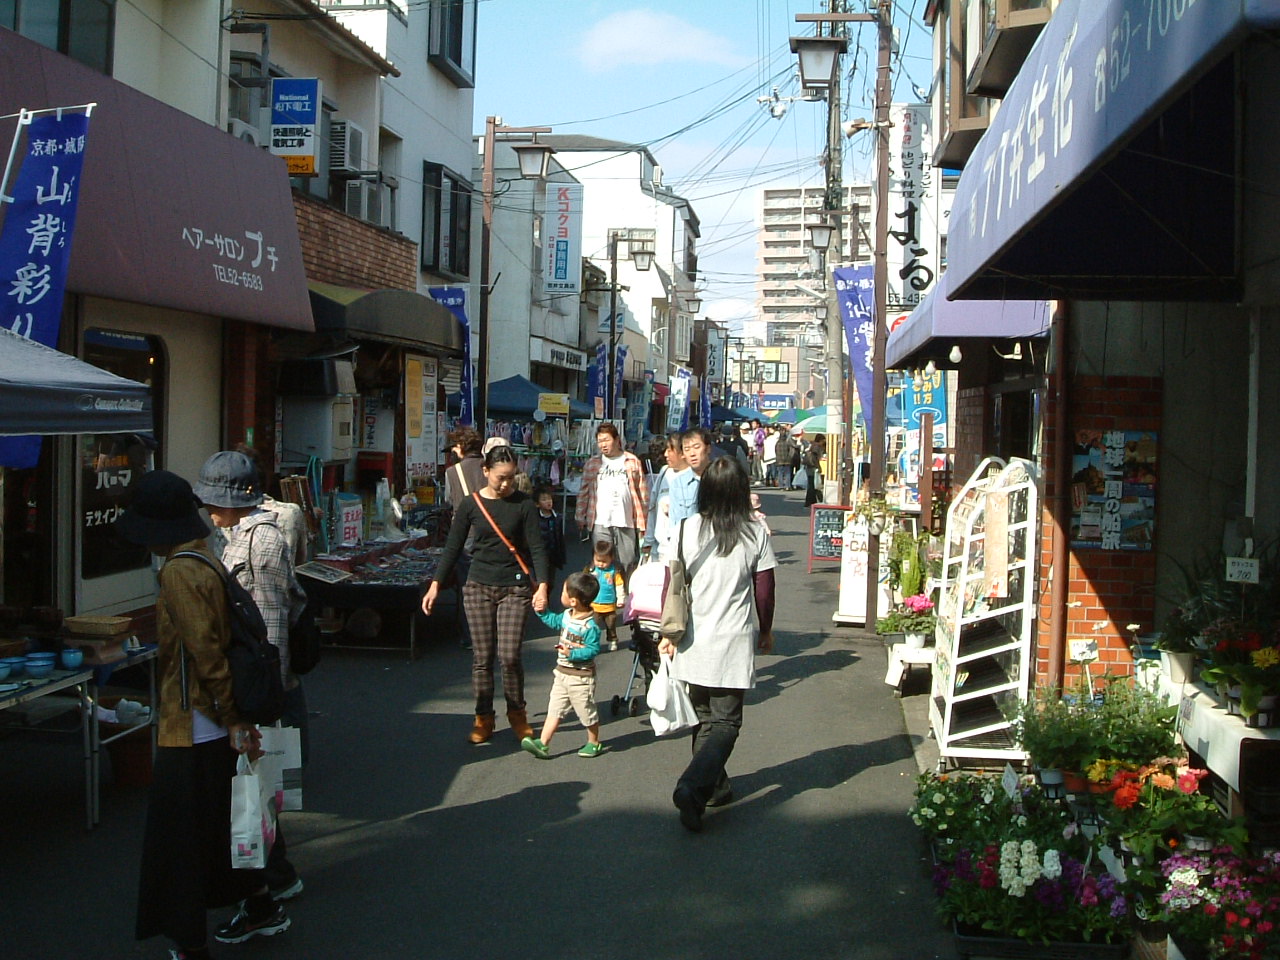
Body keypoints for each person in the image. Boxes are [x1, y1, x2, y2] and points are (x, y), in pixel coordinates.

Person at [116, 470, 290, 959]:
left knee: (181, 842)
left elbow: (205, 653)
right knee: (223, 826)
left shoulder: (179, 571)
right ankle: (260, 906)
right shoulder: (205, 557)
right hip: (216, 720)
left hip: (194, 722)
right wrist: (236, 719)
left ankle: (190, 942)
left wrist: (232, 719)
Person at [194, 450, 309, 905]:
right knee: (254, 784)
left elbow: (272, 621)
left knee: (256, 783)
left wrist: (265, 692)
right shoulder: (232, 533)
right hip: (249, 675)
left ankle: (271, 880)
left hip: (258, 679)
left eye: (214, 500)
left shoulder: (262, 539)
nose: (209, 510)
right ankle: (270, 875)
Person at [658, 456, 776, 833]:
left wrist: (667, 633)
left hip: (693, 638)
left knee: (705, 718)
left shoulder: (685, 528)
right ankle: (693, 787)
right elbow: (764, 590)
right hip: (732, 639)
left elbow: (672, 584)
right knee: (726, 722)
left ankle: (715, 788)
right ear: (741, 491)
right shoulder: (754, 533)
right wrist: (766, 630)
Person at [422, 444, 551, 744]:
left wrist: (543, 585)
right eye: (500, 477)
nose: (506, 484)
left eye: (511, 477)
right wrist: (435, 584)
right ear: (485, 471)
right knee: (482, 658)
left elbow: (537, 547)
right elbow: (453, 547)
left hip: (515, 587)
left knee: (509, 656)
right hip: (478, 585)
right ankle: (484, 718)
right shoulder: (471, 504)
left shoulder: (524, 505)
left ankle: (517, 713)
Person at [520, 571, 604, 760]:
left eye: (564, 591)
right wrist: (542, 612)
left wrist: (572, 654)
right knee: (554, 709)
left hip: (581, 677)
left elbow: (593, 649)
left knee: (586, 713)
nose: (562, 593)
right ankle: (543, 743)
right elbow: (554, 621)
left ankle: (594, 742)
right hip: (561, 674)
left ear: (573, 601)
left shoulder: (589, 626)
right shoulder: (567, 615)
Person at [573, 422, 649, 579]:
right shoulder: (593, 463)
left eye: (606, 440)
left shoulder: (632, 461)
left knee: (627, 562)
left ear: (617, 440)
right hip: (600, 521)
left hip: (626, 520)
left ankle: (626, 592)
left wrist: (644, 522)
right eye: (600, 441)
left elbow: (642, 493)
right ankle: (603, 593)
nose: (603, 444)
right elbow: (584, 491)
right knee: (601, 563)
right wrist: (580, 516)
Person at [442, 426, 486, 648]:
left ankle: (470, 635)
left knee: (467, 586)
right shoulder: (491, 467)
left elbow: (449, 500)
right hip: (493, 532)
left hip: (466, 533)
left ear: (460, 447)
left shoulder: (453, 472)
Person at [642, 433, 696, 562]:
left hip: (680, 553)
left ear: (682, 453)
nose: (665, 454)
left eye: (670, 450)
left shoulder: (695, 478)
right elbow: (652, 508)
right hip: (658, 549)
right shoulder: (664, 472)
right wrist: (648, 541)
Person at [588, 540, 626, 651]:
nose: (600, 564)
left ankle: (612, 640)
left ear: (611, 558)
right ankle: (592, 642)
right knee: (593, 626)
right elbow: (585, 584)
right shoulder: (591, 570)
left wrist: (621, 598)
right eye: (597, 560)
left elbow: (619, 585)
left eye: (604, 561)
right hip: (594, 605)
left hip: (609, 605)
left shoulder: (614, 571)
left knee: (611, 625)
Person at [533, 483, 566, 575]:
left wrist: (562, 556)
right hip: (541, 554)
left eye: (549, 499)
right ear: (537, 504)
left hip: (553, 555)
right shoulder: (535, 518)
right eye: (544, 499)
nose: (548, 501)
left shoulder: (557, 517)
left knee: (551, 576)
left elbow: (560, 538)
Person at [804, 433, 826, 507]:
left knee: (811, 485)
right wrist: (818, 467)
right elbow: (814, 458)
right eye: (823, 440)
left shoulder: (813, 445)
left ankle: (811, 502)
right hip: (812, 467)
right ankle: (811, 502)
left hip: (809, 466)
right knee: (813, 485)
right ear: (820, 440)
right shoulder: (816, 447)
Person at [774, 427, 796, 491]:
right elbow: (791, 451)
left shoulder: (777, 443)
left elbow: (776, 451)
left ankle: (781, 486)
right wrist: (790, 457)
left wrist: (778, 457)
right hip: (787, 460)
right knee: (787, 473)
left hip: (779, 460)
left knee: (780, 473)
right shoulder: (787, 443)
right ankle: (787, 486)